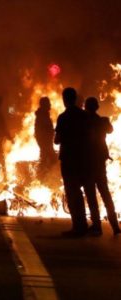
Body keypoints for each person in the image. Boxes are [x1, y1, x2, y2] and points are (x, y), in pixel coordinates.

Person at [54, 87, 90, 237]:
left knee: (71, 191)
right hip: (82, 158)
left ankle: (78, 226)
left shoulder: (63, 117)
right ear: (75, 99)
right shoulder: (84, 116)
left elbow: (57, 140)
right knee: (80, 191)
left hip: (68, 159)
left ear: (64, 100)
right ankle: (84, 225)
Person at [83, 97, 120, 236]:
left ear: (86, 107)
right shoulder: (102, 121)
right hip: (99, 162)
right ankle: (114, 225)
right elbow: (110, 130)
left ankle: (97, 226)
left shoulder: (85, 122)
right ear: (97, 107)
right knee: (105, 193)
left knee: (91, 194)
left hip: (89, 162)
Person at [34, 97, 56, 176]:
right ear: (44, 105)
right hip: (45, 144)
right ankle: (41, 178)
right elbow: (39, 132)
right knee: (49, 161)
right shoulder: (41, 116)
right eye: (48, 103)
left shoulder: (44, 115)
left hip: (47, 144)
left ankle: (42, 178)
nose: (50, 105)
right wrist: (43, 145)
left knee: (47, 161)